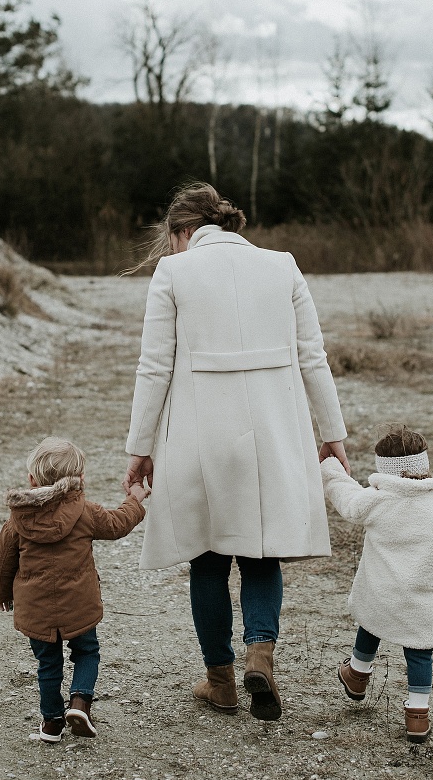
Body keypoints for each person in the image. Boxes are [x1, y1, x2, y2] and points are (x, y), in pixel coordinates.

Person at [123, 182, 349, 721]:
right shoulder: (283, 265)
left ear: (183, 232)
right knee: (261, 549)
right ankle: (261, 653)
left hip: (203, 435)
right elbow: (313, 358)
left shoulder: (174, 272)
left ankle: (220, 680)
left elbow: (153, 368)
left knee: (207, 554)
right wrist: (333, 434)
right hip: (274, 430)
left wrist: (140, 448)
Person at [321, 425, 433, 742]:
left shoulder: (377, 500)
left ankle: (356, 675)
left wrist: (329, 466)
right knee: (420, 652)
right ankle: (417, 717)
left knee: (371, 623)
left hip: (380, 593)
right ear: (424, 464)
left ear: (384, 468)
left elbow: (345, 495)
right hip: (422, 601)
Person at [0, 436, 148, 743]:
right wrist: (135, 500)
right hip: (80, 606)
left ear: (32, 479)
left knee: (48, 665)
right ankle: (79, 703)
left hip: (37, 612)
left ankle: (51, 724)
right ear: (80, 479)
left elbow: (2, 560)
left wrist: (0, 594)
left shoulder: (17, 521)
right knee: (87, 652)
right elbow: (118, 525)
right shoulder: (86, 512)